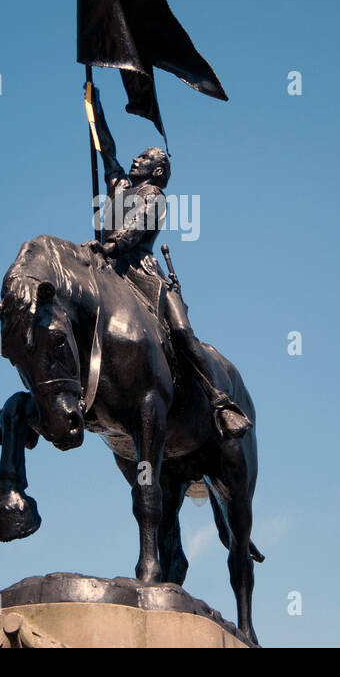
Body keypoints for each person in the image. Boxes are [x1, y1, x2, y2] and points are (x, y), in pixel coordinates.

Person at [83, 94, 251, 439]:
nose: (135, 158)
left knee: (182, 332)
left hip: (140, 270)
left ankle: (220, 402)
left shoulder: (154, 195)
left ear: (157, 171)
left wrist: (112, 245)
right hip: (104, 261)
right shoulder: (120, 187)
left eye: (144, 157)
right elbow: (107, 150)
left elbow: (137, 227)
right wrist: (94, 109)